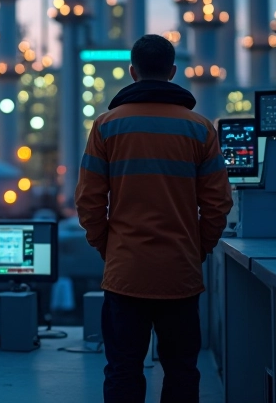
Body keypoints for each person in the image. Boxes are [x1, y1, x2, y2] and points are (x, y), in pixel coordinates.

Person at [75, 34, 233, 403]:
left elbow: (88, 202)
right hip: (179, 273)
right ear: (173, 72)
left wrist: (109, 248)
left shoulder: (106, 126)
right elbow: (218, 205)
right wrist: (196, 250)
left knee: (123, 370)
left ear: (133, 72)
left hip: (126, 273)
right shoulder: (200, 128)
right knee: (181, 370)